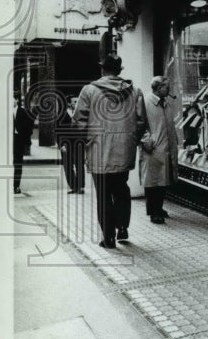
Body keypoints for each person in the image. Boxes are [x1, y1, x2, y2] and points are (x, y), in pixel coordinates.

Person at [73, 54, 144, 248]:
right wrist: (131, 140)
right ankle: (122, 227)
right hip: (124, 149)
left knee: (103, 194)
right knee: (121, 189)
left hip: (98, 150)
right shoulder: (135, 91)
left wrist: (86, 141)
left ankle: (109, 236)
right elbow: (141, 122)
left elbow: (79, 121)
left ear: (102, 69)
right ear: (120, 70)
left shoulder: (89, 91)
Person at [138, 75, 178, 224]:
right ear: (159, 87)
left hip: (165, 147)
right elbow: (138, 123)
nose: (169, 89)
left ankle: (159, 208)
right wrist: (145, 140)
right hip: (153, 149)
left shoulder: (166, 102)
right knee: (152, 182)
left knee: (163, 181)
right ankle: (153, 212)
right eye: (166, 86)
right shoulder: (146, 102)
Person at [55, 96, 85, 194]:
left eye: (77, 102)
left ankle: (80, 187)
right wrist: (61, 145)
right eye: (75, 102)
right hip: (66, 145)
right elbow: (57, 131)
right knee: (68, 167)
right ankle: (73, 186)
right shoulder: (61, 115)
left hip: (78, 144)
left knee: (79, 165)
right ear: (69, 104)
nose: (77, 104)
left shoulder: (80, 115)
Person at [12, 95, 34, 194]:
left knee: (17, 163)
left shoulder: (23, 111)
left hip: (18, 140)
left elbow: (30, 125)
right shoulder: (3, 110)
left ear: (16, 100)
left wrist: (24, 137)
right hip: (7, 140)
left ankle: (16, 186)